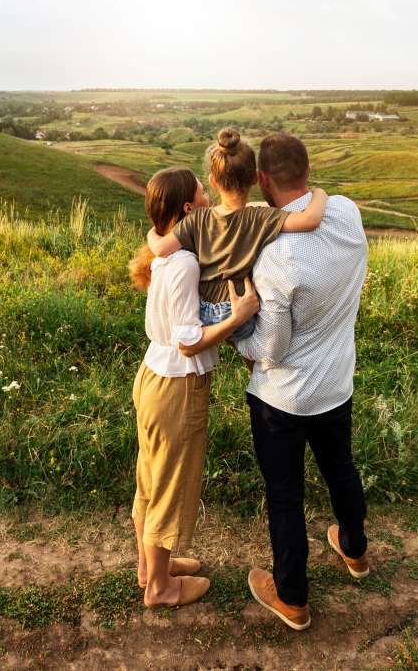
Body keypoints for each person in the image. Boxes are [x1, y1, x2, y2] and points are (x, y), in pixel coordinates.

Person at [233, 132, 371, 632]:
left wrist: (235, 337)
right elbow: (327, 200)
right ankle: (354, 551)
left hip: (283, 397)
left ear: (263, 180)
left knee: (285, 495)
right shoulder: (348, 213)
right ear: (309, 170)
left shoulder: (275, 258)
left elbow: (270, 348)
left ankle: (292, 597)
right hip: (336, 382)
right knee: (341, 468)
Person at [128, 167, 259, 608]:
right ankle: (161, 590)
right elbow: (188, 342)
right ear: (189, 209)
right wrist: (237, 318)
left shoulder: (166, 250)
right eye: (204, 194)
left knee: (150, 476)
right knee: (169, 485)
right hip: (178, 386)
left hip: (152, 376)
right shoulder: (184, 263)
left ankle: (152, 568)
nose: (210, 199)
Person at [145, 128, 328, 342]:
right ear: (254, 178)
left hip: (203, 312)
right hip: (239, 314)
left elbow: (159, 249)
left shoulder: (198, 218)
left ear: (213, 180)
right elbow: (310, 220)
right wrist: (319, 193)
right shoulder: (259, 218)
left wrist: (152, 232)